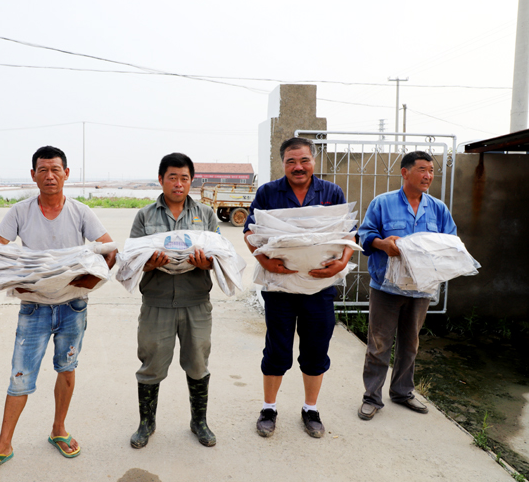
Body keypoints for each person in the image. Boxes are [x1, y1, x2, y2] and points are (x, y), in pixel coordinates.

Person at [0, 146, 117, 478]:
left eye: (56, 170)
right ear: (33, 175)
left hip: (72, 307)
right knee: (20, 376)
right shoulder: (20, 212)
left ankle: (59, 429)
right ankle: (3, 444)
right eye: (43, 170)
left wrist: (88, 281)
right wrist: (17, 284)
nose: (50, 176)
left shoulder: (81, 212)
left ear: (66, 174)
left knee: (67, 368)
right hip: (34, 308)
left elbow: (110, 250)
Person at [243, 137, 353, 439]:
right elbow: (249, 232)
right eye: (291, 161)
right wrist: (265, 261)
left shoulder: (331, 192)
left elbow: (349, 234)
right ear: (283, 163)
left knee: (316, 350)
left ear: (313, 161)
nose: (298, 167)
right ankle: (268, 408)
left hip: (319, 289)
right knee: (277, 350)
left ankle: (310, 409)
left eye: (304, 160)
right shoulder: (268, 193)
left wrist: (342, 262)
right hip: (280, 288)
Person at [356, 150, 456, 421]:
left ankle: (402, 392)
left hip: (421, 288)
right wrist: (382, 243)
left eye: (431, 171)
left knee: (410, 344)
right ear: (405, 172)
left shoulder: (438, 208)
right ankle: (371, 397)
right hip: (386, 288)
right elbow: (364, 234)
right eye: (423, 170)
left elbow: (451, 240)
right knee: (379, 344)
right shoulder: (382, 203)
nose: (428, 176)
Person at [128, 153, 219, 449]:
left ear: (191, 181)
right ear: (161, 179)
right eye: (172, 177)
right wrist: (149, 263)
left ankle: (199, 421)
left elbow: (221, 254)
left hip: (196, 302)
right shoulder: (144, 216)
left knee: (198, 363)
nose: (178, 184)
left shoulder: (206, 214)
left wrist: (208, 263)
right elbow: (131, 259)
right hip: (156, 303)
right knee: (151, 364)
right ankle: (146, 423)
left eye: (184, 178)